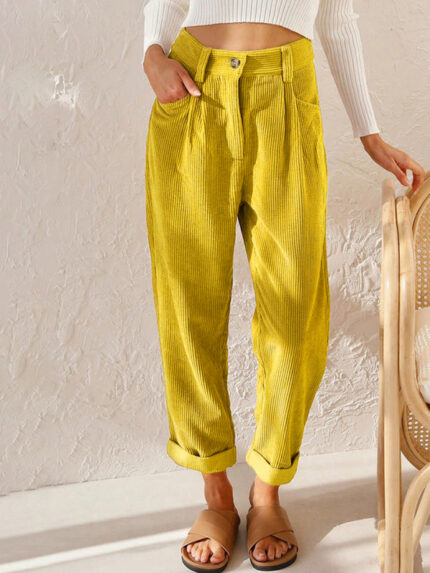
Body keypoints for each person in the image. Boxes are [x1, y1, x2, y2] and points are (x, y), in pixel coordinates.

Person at [142, 1, 425, 571]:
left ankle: (267, 490)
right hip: (192, 91)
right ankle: (216, 493)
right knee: (187, 303)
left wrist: (369, 134)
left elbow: (338, 20)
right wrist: (152, 54)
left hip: (287, 94)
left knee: (296, 315)